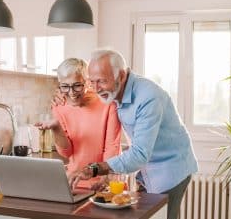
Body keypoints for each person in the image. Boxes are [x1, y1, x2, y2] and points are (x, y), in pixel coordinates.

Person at [67, 49, 198, 219]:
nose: (96, 88)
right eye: (92, 82)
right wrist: (64, 97)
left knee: (161, 216)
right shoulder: (114, 90)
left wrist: (96, 169)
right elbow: (86, 101)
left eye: (101, 81)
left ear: (121, 76)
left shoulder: (148, 97)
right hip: (148, 168)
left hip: (170, 167)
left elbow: (139, 154)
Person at [35, 58, 121, 188]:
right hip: (74, 182)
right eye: (65, 86)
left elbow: (112, 147)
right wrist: (56, 128)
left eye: (77, 85)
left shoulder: (107, 102)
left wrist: (105, 179)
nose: (71, 93)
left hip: (104, 181)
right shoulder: (59, 106)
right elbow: (67, 153)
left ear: (87, 82)